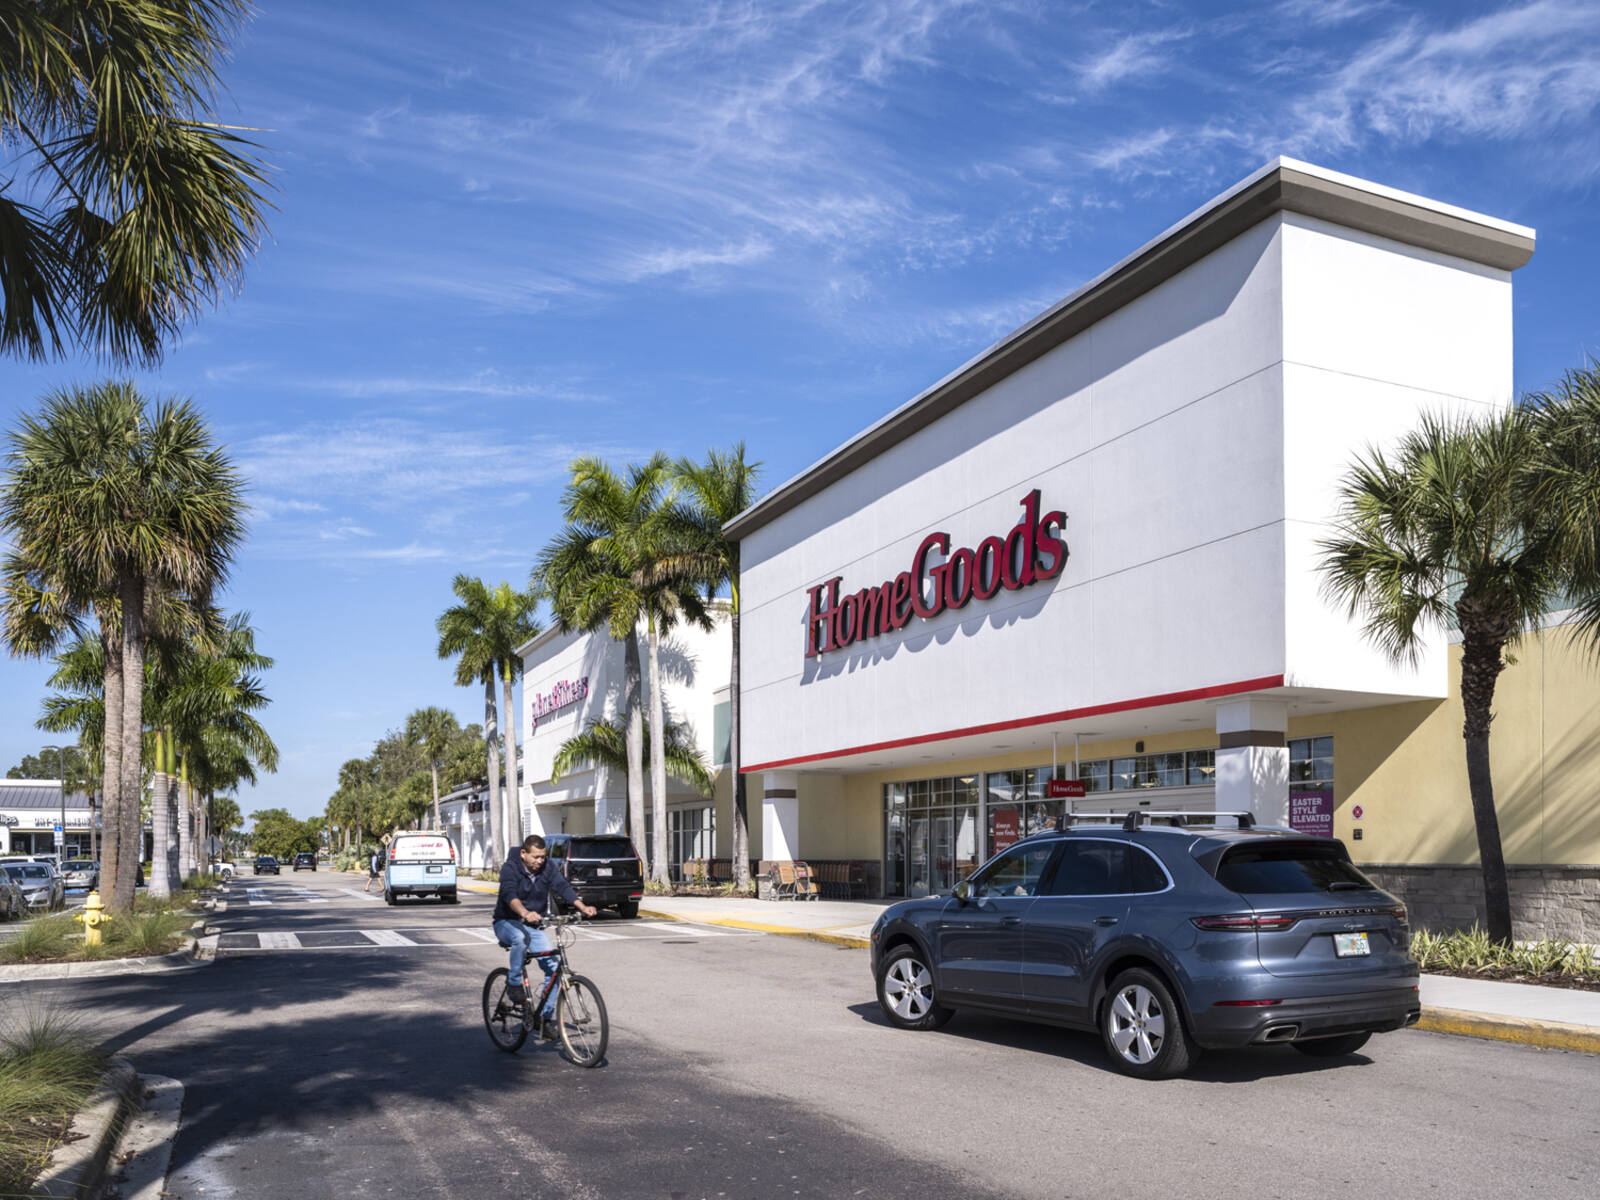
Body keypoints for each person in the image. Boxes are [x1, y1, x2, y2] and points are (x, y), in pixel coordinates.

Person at [493, 835, 596, 1034]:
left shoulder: (547, 867)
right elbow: (509, 895)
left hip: (534, 925)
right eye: (535, 857)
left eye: (542, 857)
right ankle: (514, 983)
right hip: (507, 921)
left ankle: (543, 1019)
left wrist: (582, 907)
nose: (540, 861)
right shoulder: (510, 867)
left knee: (554, 969)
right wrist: (524, 912)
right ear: (523, 854)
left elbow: (562, 886)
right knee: (520, 939)